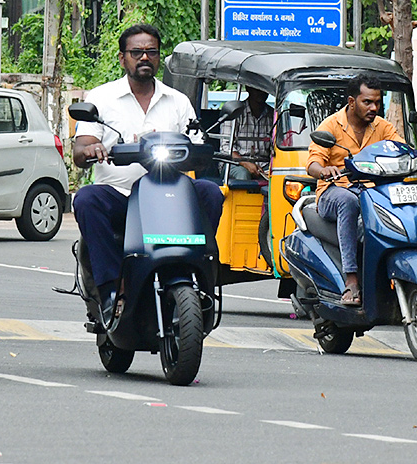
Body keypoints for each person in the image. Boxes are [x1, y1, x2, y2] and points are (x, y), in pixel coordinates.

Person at [71, 24, 225, 316]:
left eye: (151, 52)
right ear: (122, 58)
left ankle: (200, 277)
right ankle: (109, 291)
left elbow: (197, 146)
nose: (144, 58)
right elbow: (80, 150)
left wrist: (200, 152)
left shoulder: (177, 101)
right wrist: (91, 149)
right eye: (137, 52)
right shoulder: (102, 98)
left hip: (170, 198)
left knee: (210, 192)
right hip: (122, 196)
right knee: (87, 199)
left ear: (159, 58)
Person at [307, 74, 417, 306]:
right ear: (352, 102)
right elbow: (313, 163)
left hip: (371, 191)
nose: (374, 107)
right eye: (368, 102)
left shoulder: (383, 127)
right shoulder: (331, 126)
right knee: (349, 202)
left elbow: (401, 149)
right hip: (335, 192)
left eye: (377, 102)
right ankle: (352, 280)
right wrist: (325, 170)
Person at [229, 88, 272, 181]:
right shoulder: (235, 112)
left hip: (264, 164)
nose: (261, 92)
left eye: (264, 89)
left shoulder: (273, 115)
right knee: (243, 174)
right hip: (235, 163)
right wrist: (246, 163)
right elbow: (226, 148)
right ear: (248, 88)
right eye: (257, 89)